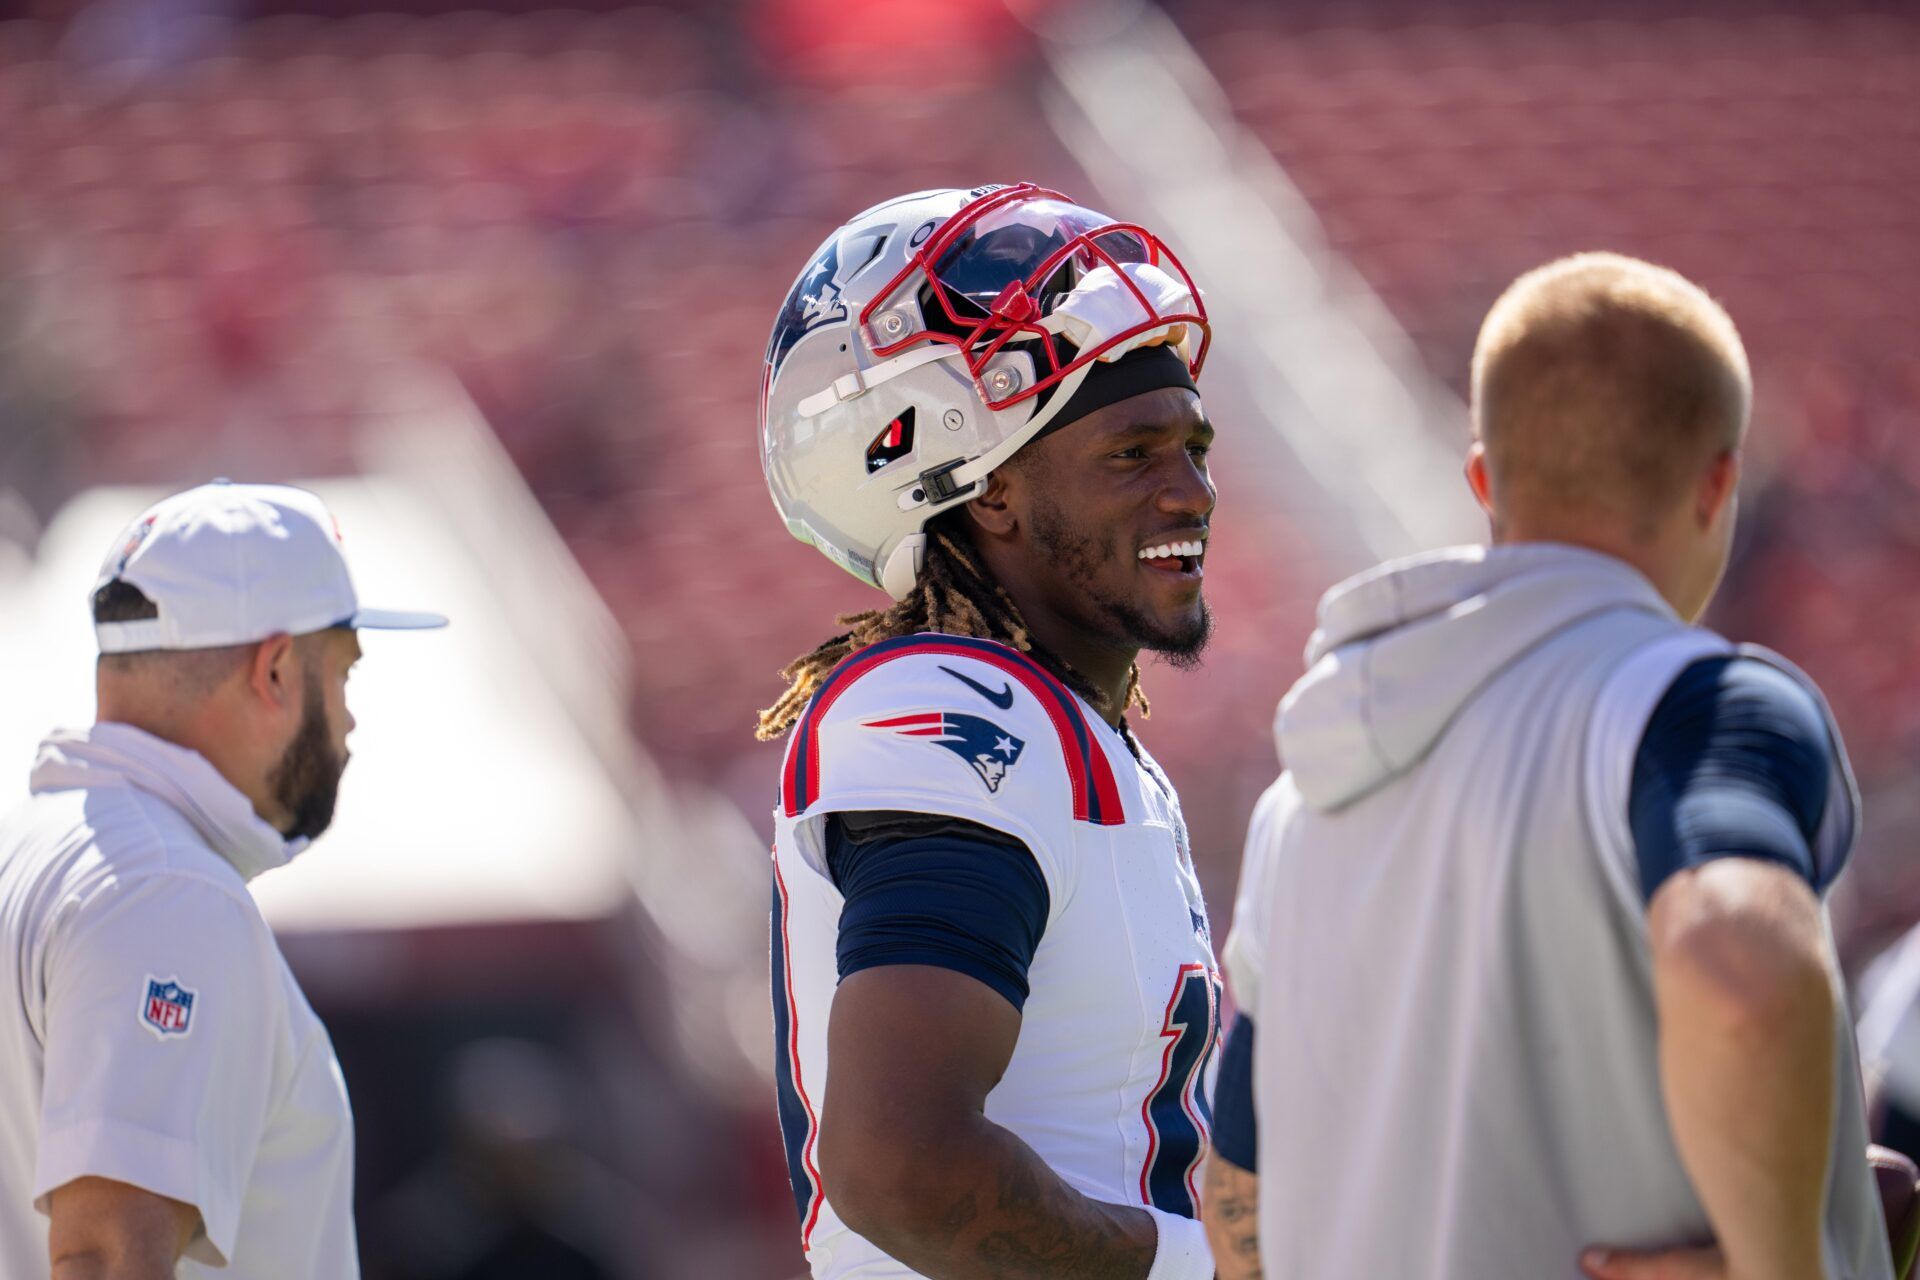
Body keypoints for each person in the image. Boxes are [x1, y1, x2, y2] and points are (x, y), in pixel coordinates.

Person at [1205, 253, 1893, 1280]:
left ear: (1482, 480)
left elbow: (1238, 1205)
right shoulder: (1703, 705)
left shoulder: (1303, 789)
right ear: (1719, 483)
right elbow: (1740, 964)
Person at [757, 183, 1222, 1280]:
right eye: (1132, 452)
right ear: (992, 489)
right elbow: (901, 1165)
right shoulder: (954, 707)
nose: (1192, 490)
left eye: (1195, 445)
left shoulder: (1082, 737)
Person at [0, 481, 445, 1279]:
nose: (348, 721)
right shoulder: (169, 892)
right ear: (275, 671)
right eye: (342, 674)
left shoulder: (35, 852)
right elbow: (105, 1258)